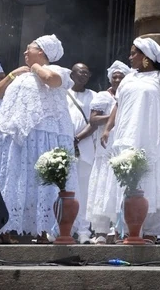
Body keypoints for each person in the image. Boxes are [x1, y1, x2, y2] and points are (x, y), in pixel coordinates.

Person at [0, 34, 76, 243]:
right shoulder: (20, 75)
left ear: (43, 52)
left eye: (30, 49)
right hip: (16, 137)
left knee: (40, 180)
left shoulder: (59, 70)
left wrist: (36, 67)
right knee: (14, 178)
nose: (26, 52)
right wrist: (12, 74)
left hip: (42, 135)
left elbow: (51, 81)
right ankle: (7, 229)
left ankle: (42, 229)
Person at [100, 37, 160, 240]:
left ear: (146, 57)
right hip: (126, 135)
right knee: (124, 177)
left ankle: (150, 231)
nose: (130, 56)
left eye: (134, 53)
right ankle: (124, 228)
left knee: (151, 177)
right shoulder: (128, 78)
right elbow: (118, 105)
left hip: (152, 134)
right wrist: (108, 128)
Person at [87, 60, 132, 244]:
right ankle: (101, 231)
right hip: (105, 151)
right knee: (102, 189)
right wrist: (115, 115)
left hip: (122, 149)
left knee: (120, 190)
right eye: (115, 76)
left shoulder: (129, 96)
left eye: (121, 76)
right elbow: (93, 120)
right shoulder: (103, 97)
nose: (118, 79)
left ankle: (121, 231)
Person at [67, 62, 97, 244]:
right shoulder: (62, 93)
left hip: (85, 148)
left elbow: (94, 122)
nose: (83, 75)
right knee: (65, 190)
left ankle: (84, 230)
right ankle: (64, 228)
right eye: (80, 72)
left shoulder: (93, 96)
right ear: (71, 74)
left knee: (84, 191)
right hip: (64, 149)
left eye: (87, 73)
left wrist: (77, 138)